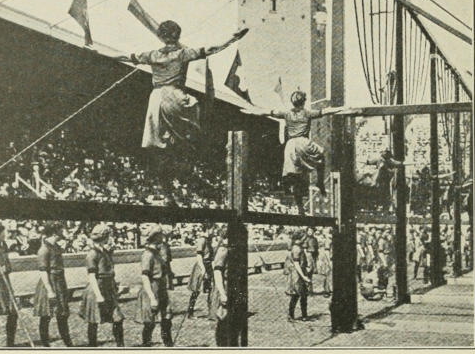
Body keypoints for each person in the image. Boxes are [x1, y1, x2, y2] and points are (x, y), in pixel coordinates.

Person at [115, 22, 248, 204]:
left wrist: (95, 50)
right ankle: (184, 144)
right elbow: (212, 49)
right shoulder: (182, 53)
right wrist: (232, 38)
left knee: (158, 147)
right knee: (198, 119)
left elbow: (126, 57)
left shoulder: (152, 55)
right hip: (174, 95)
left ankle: (167, 190)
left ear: (161, 36)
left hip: (156, 98)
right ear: (177, 36)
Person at [242, 86, 346, 214]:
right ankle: (320, 182)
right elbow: (326, 111)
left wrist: (251, 111)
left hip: (290, 146)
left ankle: (300, 207)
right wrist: (341, 108)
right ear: (303, 102)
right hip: (303, 142)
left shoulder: (287, 114)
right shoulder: (307, 113)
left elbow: (267, 112)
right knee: (321, 156)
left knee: (296, 177)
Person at [78, 224, 124, 347]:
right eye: (109, 235)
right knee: (94, 321)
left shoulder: (104, 251)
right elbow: (92, 276)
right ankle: (92, 346)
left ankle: (121, 347)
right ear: (105, 237)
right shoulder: (92, 254)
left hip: (108, 288)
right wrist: (98, 296)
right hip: (96, 289)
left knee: (118, 318)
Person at [33, 222, 73, 347]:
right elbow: (43, 271)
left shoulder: (55, 246)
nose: (64, 232)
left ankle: (68, 344)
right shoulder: (44, 249)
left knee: (63, 314)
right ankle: (45, 345)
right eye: (62, 230)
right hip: (49, 283)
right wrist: (50, 291)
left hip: (60, 282)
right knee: (46, 315)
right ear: (55, 232)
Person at [136, 225, 173, 347]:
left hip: (161, 287)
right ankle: (146, 345)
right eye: (160, 234)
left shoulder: (157, 252)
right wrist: (152, 297)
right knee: (150, 322)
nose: (163, 236)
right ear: (156, 237)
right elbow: (145, 277)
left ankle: (168, 344)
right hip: (152, 289)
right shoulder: (148, 254)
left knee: (167, 317)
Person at [0, 220, 18, 347]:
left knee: (13, 312)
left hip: (5, 281)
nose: (5, 234)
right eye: (3, 232)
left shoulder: (3, 246)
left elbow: (8, 266)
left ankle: (10, 343)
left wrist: (7, 268)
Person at [187, 224, 214, 319]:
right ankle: (190, 313)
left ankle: (211, 312)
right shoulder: (202, 240)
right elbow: (199, 256)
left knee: (211, 289)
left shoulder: (208, 240)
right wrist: (203, 269)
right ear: (208, 229)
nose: (214, 231)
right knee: (196, 290)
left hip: (208, 266)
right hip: (202, 266)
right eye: (213, 229)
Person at [209, 228, 229, 346]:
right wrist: (222, 293)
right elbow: (217, 272)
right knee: (223, 320)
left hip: (232, 288)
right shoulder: (223, 251)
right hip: (225, 288)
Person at [285, 231, 311, 321]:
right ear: (298, 239)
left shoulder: (298, 247)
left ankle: (301, 315)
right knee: (298, 295)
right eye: (304, 238)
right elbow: (296, 264)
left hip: (299, 273)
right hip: (297, 274)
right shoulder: (296, 249)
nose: (305, 240)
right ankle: (294, 315)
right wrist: (304, 277)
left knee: (300, 295)